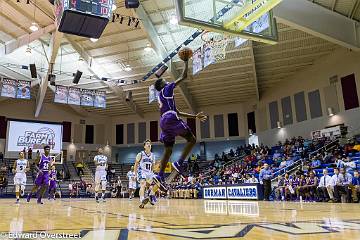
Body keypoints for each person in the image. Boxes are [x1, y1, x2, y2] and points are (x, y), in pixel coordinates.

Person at [153, 59, 207, 190]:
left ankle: (160, 175)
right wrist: (186, 61)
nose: (167, 80)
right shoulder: (166, 89)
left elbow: (178, 112)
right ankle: (179, 162)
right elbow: (183, 76)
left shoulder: (163, 98)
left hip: (164, 121)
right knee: (192, 139)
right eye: (164, 80)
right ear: (162, 84)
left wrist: (194, 116)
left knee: (168, 149)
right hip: (170, 118)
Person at [134, 140, 159, 208]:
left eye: (150, 144)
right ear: (144, 146)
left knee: (159, 182)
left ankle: (151, 194)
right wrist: (135, 174)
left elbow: (153, 168)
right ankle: (142, 199)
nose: (149, 145)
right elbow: (136, 164)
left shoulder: (153, 156)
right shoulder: (140, 154)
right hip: (142, 171)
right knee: (143, 184)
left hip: (149, 173)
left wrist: (157, 166)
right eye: (147, 144)